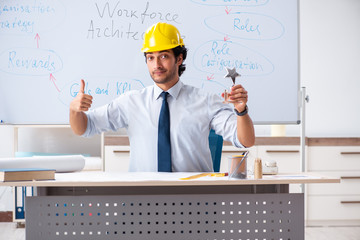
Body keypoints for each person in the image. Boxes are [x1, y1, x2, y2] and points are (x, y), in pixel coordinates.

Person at [70, 22, 255, 172]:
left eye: (164, 56)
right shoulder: (131, 102)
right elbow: (84, 128)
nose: (156, 64)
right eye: (150, 57)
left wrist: (241, 111)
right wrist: (74, 110)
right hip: (142, 202)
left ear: (179, 58)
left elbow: (246, 140)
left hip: (194, 201)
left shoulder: (205, 100)